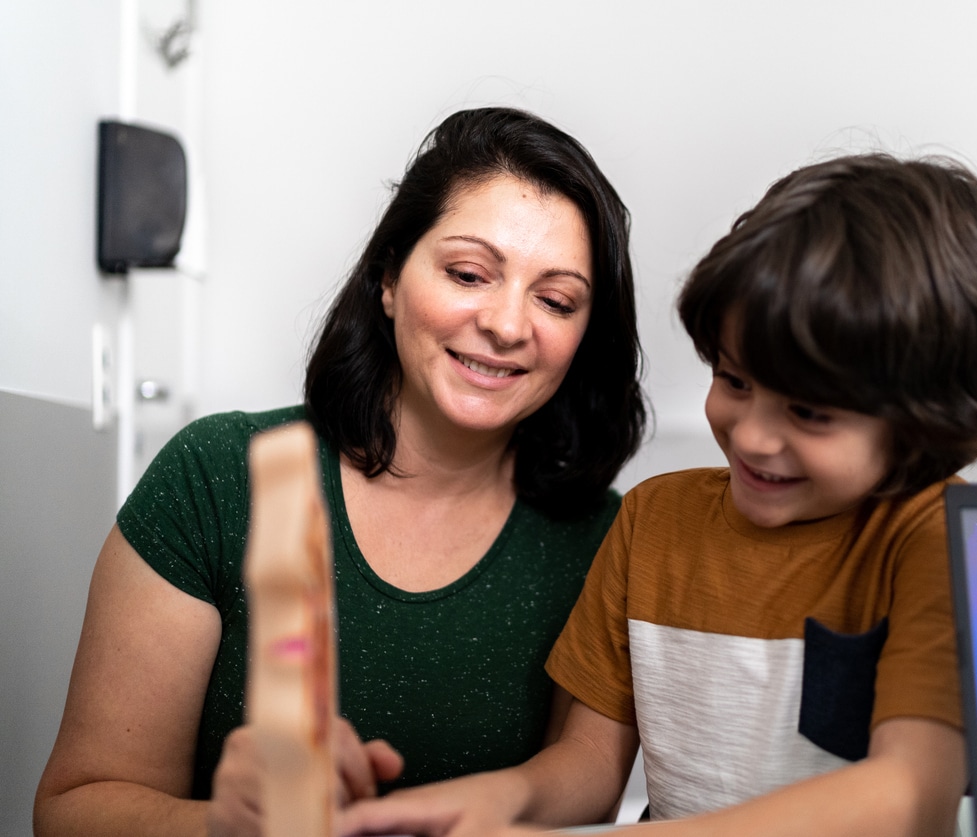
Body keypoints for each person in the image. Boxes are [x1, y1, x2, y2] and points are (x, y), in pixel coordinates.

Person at [339, 152, 977, 837]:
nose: (753, 436)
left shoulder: (942, 536)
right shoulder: (653, 520)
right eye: (734, 380)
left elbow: (905, 796)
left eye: (809, 413)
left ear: (924, 424)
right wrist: (492, 799)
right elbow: (586, 764)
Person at [33, 106, 646, 837]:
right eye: (468, 273)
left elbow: (586, 787)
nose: (509, 325)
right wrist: (226, 826)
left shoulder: (604, 539)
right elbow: (72, 809)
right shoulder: (217, 477)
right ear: (388, 278)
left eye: (555, 299)